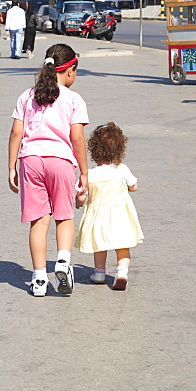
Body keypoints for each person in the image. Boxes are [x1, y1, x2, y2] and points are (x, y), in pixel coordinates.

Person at [7, 43, 89, 296]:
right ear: (70, 70)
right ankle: (63, 262)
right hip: (60, 160)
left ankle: (39, 279)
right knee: (64, 216)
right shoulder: (74, 99)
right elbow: (77, 138)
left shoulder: (27, 95)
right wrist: (84, 171)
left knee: (38, 222)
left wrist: (11, 167)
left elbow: (16, 132)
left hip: (30, 160)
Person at [74, 122, 144, 291]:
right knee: (122, 246)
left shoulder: (90, 174)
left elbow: (81, 197)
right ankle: (122, 274)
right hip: (120, 215)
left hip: (98, 217)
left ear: (94, 150)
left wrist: (78, 202)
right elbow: (134, 186)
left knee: (100, 245)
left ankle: (99, 273)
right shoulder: (122, 169)